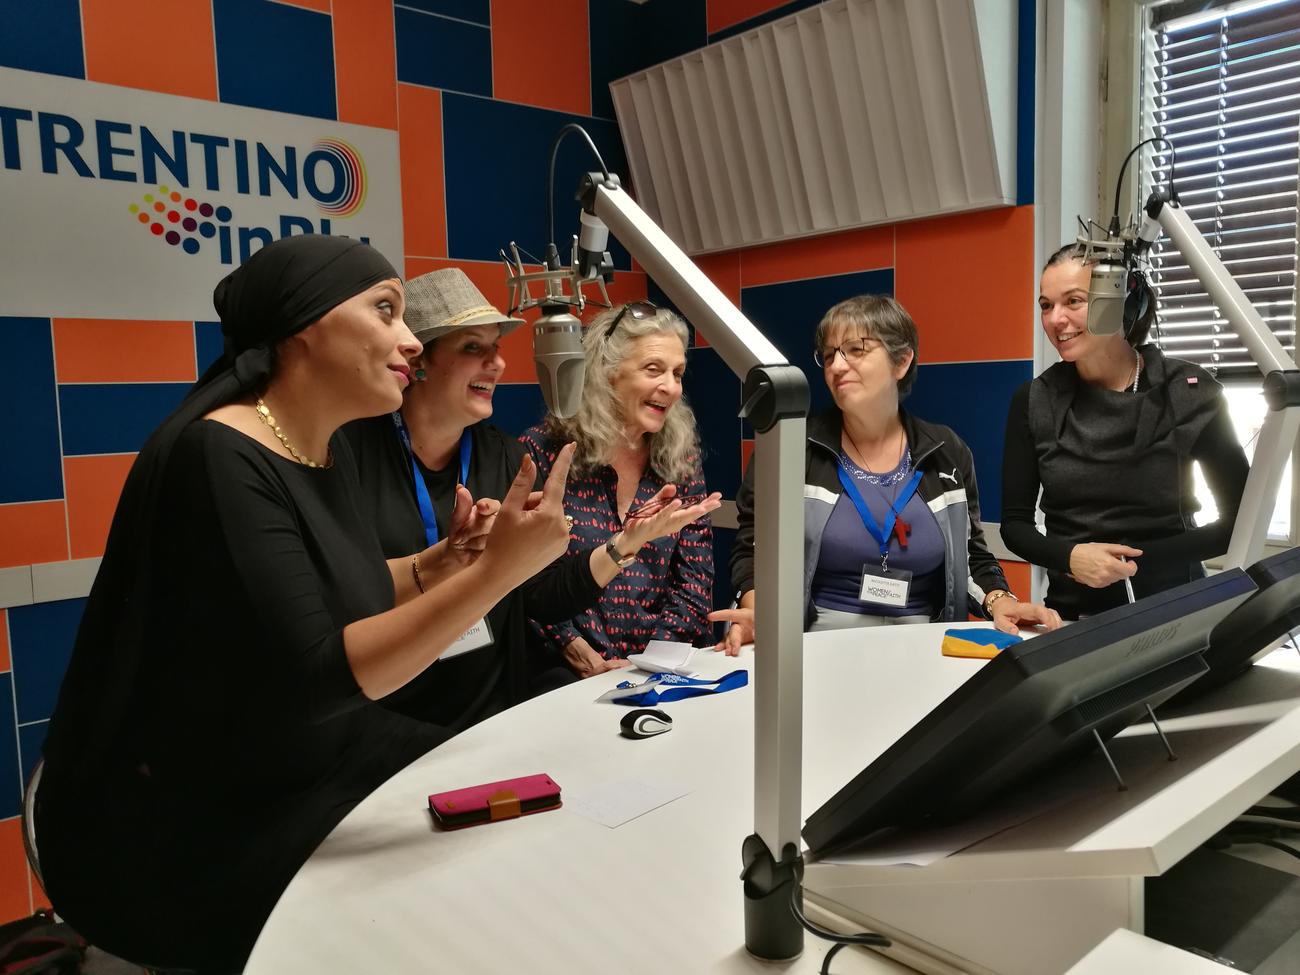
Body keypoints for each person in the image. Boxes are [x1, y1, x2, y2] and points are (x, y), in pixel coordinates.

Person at [33, 236, 574, 972]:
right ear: (303, 327)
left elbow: (342, 585)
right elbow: (317, 674)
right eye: (385, 311)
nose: (411, 340)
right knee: (451, 908)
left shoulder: (321, 447)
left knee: (510, 804)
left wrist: (446, 560)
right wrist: (496, 575)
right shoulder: (218, 456)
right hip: (201, 826)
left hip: (308, 762)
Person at [713, 294, 1059, 654]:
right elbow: (753, 549)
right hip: (816, 648)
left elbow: (970, 557)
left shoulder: (946, 451)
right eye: (829, 355)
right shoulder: (791, 449)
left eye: (856, 350)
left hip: (924, 650)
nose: (837, 366)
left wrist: (1000, 600)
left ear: (902, 361)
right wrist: (758, 611)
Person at [343, 267, 609, 725]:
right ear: (418, 360)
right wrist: (450, 559)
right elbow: (345, 600)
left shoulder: (504, 457)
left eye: (496, 347)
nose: (498, 364)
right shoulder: (349, 454)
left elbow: (537, 597)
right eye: (472, 347)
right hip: (384, 716)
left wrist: (621, 547)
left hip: (488, 715)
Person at [999, 244, 1250, 619]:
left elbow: (1240, 519)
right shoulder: (1035, 400)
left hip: (1179, 613)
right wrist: (1070, 556)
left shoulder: (1187, 391)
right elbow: (1015, 525)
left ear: (1123, 304)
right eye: (1046, 305)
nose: (1055, 319)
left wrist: (1130, 563)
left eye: (1073, 301)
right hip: (1073, 617)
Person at [521, 301, 722, 674]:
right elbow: (522, 579)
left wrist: (648, 665)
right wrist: (574, 649)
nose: (671, 387)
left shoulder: (680, 458)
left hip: (662, 671)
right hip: (564, 671)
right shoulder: (544, 452)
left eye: (678, 373)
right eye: (653, 369)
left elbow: (694, 582)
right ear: (606, 372)